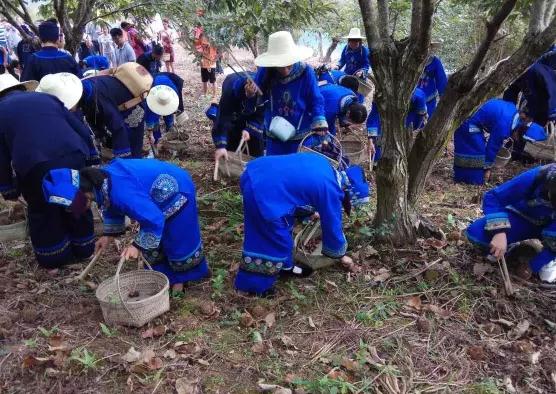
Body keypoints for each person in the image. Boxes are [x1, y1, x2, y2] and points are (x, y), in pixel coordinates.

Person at [44, 159, 210, 291]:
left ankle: (181, 280)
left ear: (82, 194)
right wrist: (108, 236)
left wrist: (136, 246)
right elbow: (110, 205)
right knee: (155, 242)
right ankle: (166, 277)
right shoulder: (100, 184)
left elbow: (153, 219)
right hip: (155, 197)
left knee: (176, 236)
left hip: (177, 189)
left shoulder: (121, 192)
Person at [234, 152, 370, 296]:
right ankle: (253, 287)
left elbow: (298, 186)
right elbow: (332, 226)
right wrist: (341, 255)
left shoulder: (326, 166)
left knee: (283, 227)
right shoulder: (330, 189)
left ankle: (285, 268)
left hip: (256, 173)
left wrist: (309, 212)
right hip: (262, 191)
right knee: (273, 239)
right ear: (348, 191)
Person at [0, 74, 98, 269]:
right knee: (76, 199)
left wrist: (7, 187)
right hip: (73, 153)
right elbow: (79, 126)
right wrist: (91, 155)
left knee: (43, 208)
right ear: (19, 88)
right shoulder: (46, 98)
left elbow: (1, 155)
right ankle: (84, 248)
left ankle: (55, 257)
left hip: (36, 164)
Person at [466, 164, 556, 283]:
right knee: (476, 234)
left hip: (552, 228)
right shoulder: (537, 177)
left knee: (545, 274)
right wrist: (499, 232)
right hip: (521, 217)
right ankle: (510, 245)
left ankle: (548, 258)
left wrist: (532, 266)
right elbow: (494, 197)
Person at [245, 31, 328, 156]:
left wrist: (319, 120)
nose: (284, 70)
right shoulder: (265, 71)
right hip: (274, 132)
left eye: (288, 65)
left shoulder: (306, 72)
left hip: (299, 131)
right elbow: (257, 95)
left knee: (296, 168)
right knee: (276, 167)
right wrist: (250, 93)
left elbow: (316, 98)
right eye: (280, 65)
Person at [453, 98, 544, 185]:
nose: (516, 140)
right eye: (518, 139)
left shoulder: (512, 113)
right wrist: (487, 168)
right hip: (467, 121)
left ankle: (465, 176)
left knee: (478, 147)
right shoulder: (504, 127)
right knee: (476, 151)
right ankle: (470, 180)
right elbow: (492, 147)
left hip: (472, 116)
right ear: (518, 132)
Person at [80, 72, 148, 158]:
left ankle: (132, 163)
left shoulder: (97, 97)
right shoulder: (85, 92)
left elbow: (117, 126)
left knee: (132, 141)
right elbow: (92, 116)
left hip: (132, 106)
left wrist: (122, 157)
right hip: (117, 104)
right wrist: (101, 135)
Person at [212, 72, 265, 162]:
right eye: (248, 95)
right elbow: (223, 118)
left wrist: (249, 129)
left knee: (256, 143)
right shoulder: (230, 92)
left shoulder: (263, 91)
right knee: (231, 133)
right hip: (234, 108)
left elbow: (260, 115)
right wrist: (221, 146)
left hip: (253, 110)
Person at [366, 88, 427, 161]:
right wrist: (371, 139)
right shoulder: (380, 95)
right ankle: (377, 162)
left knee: (401, 137)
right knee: (378, 138)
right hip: (386, 114)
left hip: (408, 115)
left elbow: (418, 119)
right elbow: (373, 118)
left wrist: (410, 130)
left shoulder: (419, 97)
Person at [503, 62, 556, 127]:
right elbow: (511, 91)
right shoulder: (518, 76)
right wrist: (509, 111)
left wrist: (552, 113)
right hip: (535, 106)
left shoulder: (536, 70)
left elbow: (552, 88)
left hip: (550, 107)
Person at [145, 73, 182, 146]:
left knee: (170, 117)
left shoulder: (174, 93)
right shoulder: (149, 102)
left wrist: (174, 119)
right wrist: (151, 134)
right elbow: (149, 121)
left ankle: (170, 131)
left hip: (166, 82)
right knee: (154, 121)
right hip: (155, 87)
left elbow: (174, 107)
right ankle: (156, 139)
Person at [417, 41, 447, 118]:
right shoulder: (408, 61)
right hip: (411, 102)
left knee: (425, 126)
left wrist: (444, 103)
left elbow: (442, 83)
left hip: (429, 102)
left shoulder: (435, 62)